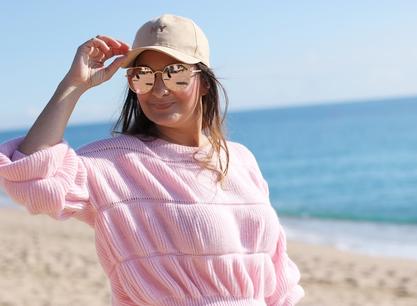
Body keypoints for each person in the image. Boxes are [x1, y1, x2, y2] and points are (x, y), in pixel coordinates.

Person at [0, 14, 305, 305]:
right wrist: (74, 84)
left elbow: (279, 280)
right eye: (143, 76)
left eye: (176, 74)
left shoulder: (240, 159)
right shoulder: (115, 164)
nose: (159, 89)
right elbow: (30, 178)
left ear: (205, 83)